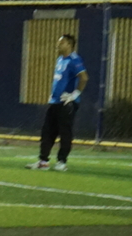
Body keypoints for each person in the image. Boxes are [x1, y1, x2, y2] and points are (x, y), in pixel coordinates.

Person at [27, 33, 88, 172]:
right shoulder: (60, 59)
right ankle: (43, 161)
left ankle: (62, 162)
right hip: (55, 101)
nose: (58, 45)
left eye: (61, 42)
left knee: (65, 132)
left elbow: (84, 77)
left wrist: (74, 95)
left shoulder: (74, 59)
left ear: (69, 45)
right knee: (47, 131)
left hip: (66, 103)